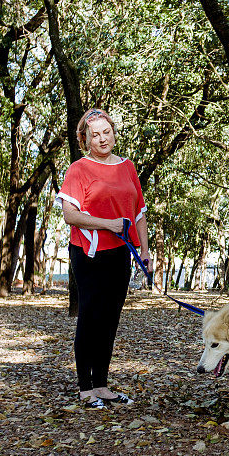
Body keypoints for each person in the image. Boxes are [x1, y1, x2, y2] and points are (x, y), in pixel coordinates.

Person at [55, 108, 153, 408]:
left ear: (113, 132)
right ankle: (85, 389)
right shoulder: (79, 169)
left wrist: (146, 252)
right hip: (89, 254)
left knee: (110, 320)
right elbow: (70, 214)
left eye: (106, 132)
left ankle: (102, 385)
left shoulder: (127, 167)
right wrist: (108, 224)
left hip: (121, 254)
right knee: (90, 318)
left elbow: (138, 213)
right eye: (94, 135)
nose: (102, 139)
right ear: (85, 139)